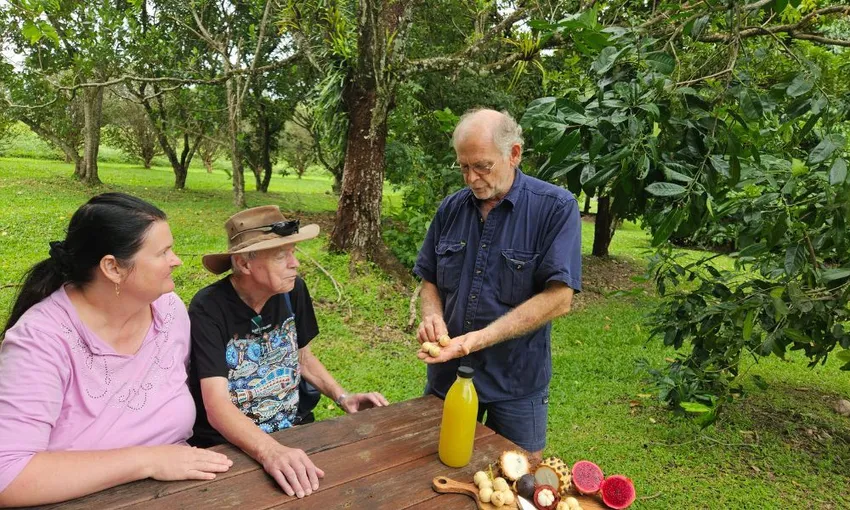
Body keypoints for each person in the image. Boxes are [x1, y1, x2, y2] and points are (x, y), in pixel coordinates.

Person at [0, 193, 232, 507]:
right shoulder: (41, 341)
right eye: (163, 252)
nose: (176, 260)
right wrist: (148, 461)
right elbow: (7, 476)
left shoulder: (168, 311)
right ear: (112, 268)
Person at [414, 108, 581, 460]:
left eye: (482, 166)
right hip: (447, 378)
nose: (471, 178)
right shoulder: (451, 209)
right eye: (463, 167)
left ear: (514, 154)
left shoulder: (555, 207)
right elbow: (429, 277)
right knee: (435, 469)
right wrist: (432, 315)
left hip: (516, 383)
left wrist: (477, 340)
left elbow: (559, 298)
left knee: (519, 478)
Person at [188, 205, 388, 499]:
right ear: (244, 263)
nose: (295, 264)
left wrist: (343, 396)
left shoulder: (293, 291)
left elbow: (303, 357)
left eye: (293, 252)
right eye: (281, 255)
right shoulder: (208, 308)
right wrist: (270, 451)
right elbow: (216, 406)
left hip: (292, 431)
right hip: (232, 445)